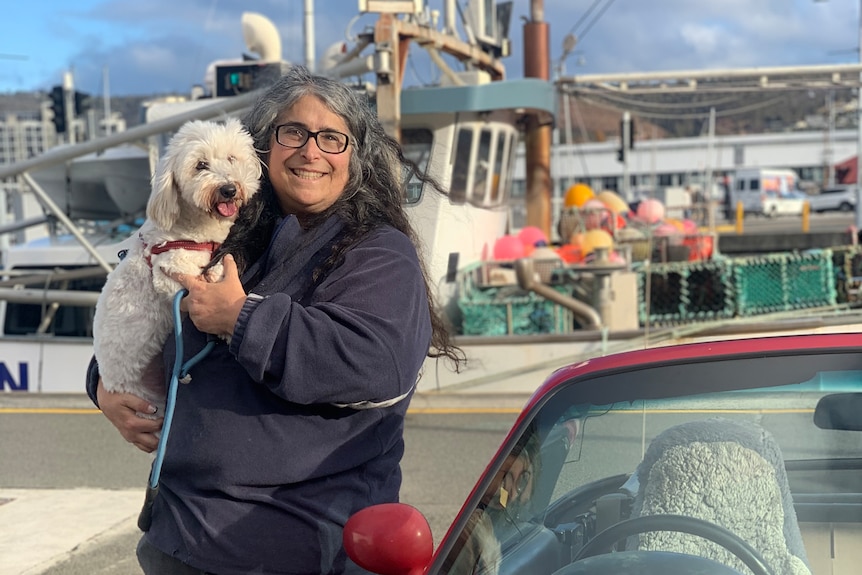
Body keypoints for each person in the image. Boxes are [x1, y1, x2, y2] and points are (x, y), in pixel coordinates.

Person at [86, 65, 463, 575]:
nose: (311, 151)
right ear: (264, 147)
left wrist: (242, 319)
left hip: (294, 548)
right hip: (177, 537)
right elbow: (142, 318)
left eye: (332, 138)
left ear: (356, 156)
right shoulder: (228, 234)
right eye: (294, 133)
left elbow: (376, 363)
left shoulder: (378, 252)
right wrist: (104, 387)